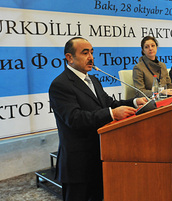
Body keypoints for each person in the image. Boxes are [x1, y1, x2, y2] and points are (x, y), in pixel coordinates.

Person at [49, 37, 147, 201]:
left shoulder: (93, 79)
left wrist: (135, 102)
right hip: (78, 164)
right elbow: (74, 119)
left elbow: (109, 103)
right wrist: (112, 114)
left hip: (101, 156)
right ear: (69, 57)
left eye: (92, 52)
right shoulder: (60, 85)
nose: (91, 57)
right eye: (85, 52)